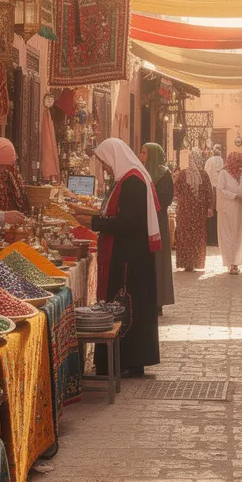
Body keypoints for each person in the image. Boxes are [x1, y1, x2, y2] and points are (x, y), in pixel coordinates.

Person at [91, 138, 162, 376]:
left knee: (126, 308)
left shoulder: (132, 182)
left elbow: (130, 222)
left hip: (130, 259)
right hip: (130, 255)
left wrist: (97, 223)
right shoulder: (129, 178)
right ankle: (127, 360)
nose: (106, 168)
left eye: (106, 163)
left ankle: (126, 361)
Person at [139, 143, 175, 310]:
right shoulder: (141, 172)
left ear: (152, 155)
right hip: (144, 221)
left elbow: (166, 199)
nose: (141, 155)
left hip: (158, 222)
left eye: (144, 152)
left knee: (158, 260)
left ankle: (158, 301)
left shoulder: (164, 174)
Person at [174, 146, 213, 272]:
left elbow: (176, 189)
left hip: (185, 209)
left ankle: (187, 263)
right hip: (198, 210)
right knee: (196, 235)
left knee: (186, 234)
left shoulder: (183, 173)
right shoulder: (203, 174)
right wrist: (209, 207)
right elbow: (208, 193)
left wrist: (182, 199)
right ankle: (195, 261)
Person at [215, 150, 242, 275]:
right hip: (227, 208)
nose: (239, 164)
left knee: (239, 235)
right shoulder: (223, 173)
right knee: (228, 235)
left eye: (240, 162)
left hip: (240, 209)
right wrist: (235, 196)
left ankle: (236, 262)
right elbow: (220, 190)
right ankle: (231, 264)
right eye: (237, 161)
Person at [203, 145, 225, 245]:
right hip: (219, 190)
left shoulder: (209, 160)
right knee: (218, 213)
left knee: (209, 212)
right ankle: (217, 238)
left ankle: (209, 238)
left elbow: (206, 173)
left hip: (210, 188)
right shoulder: (221, 160)